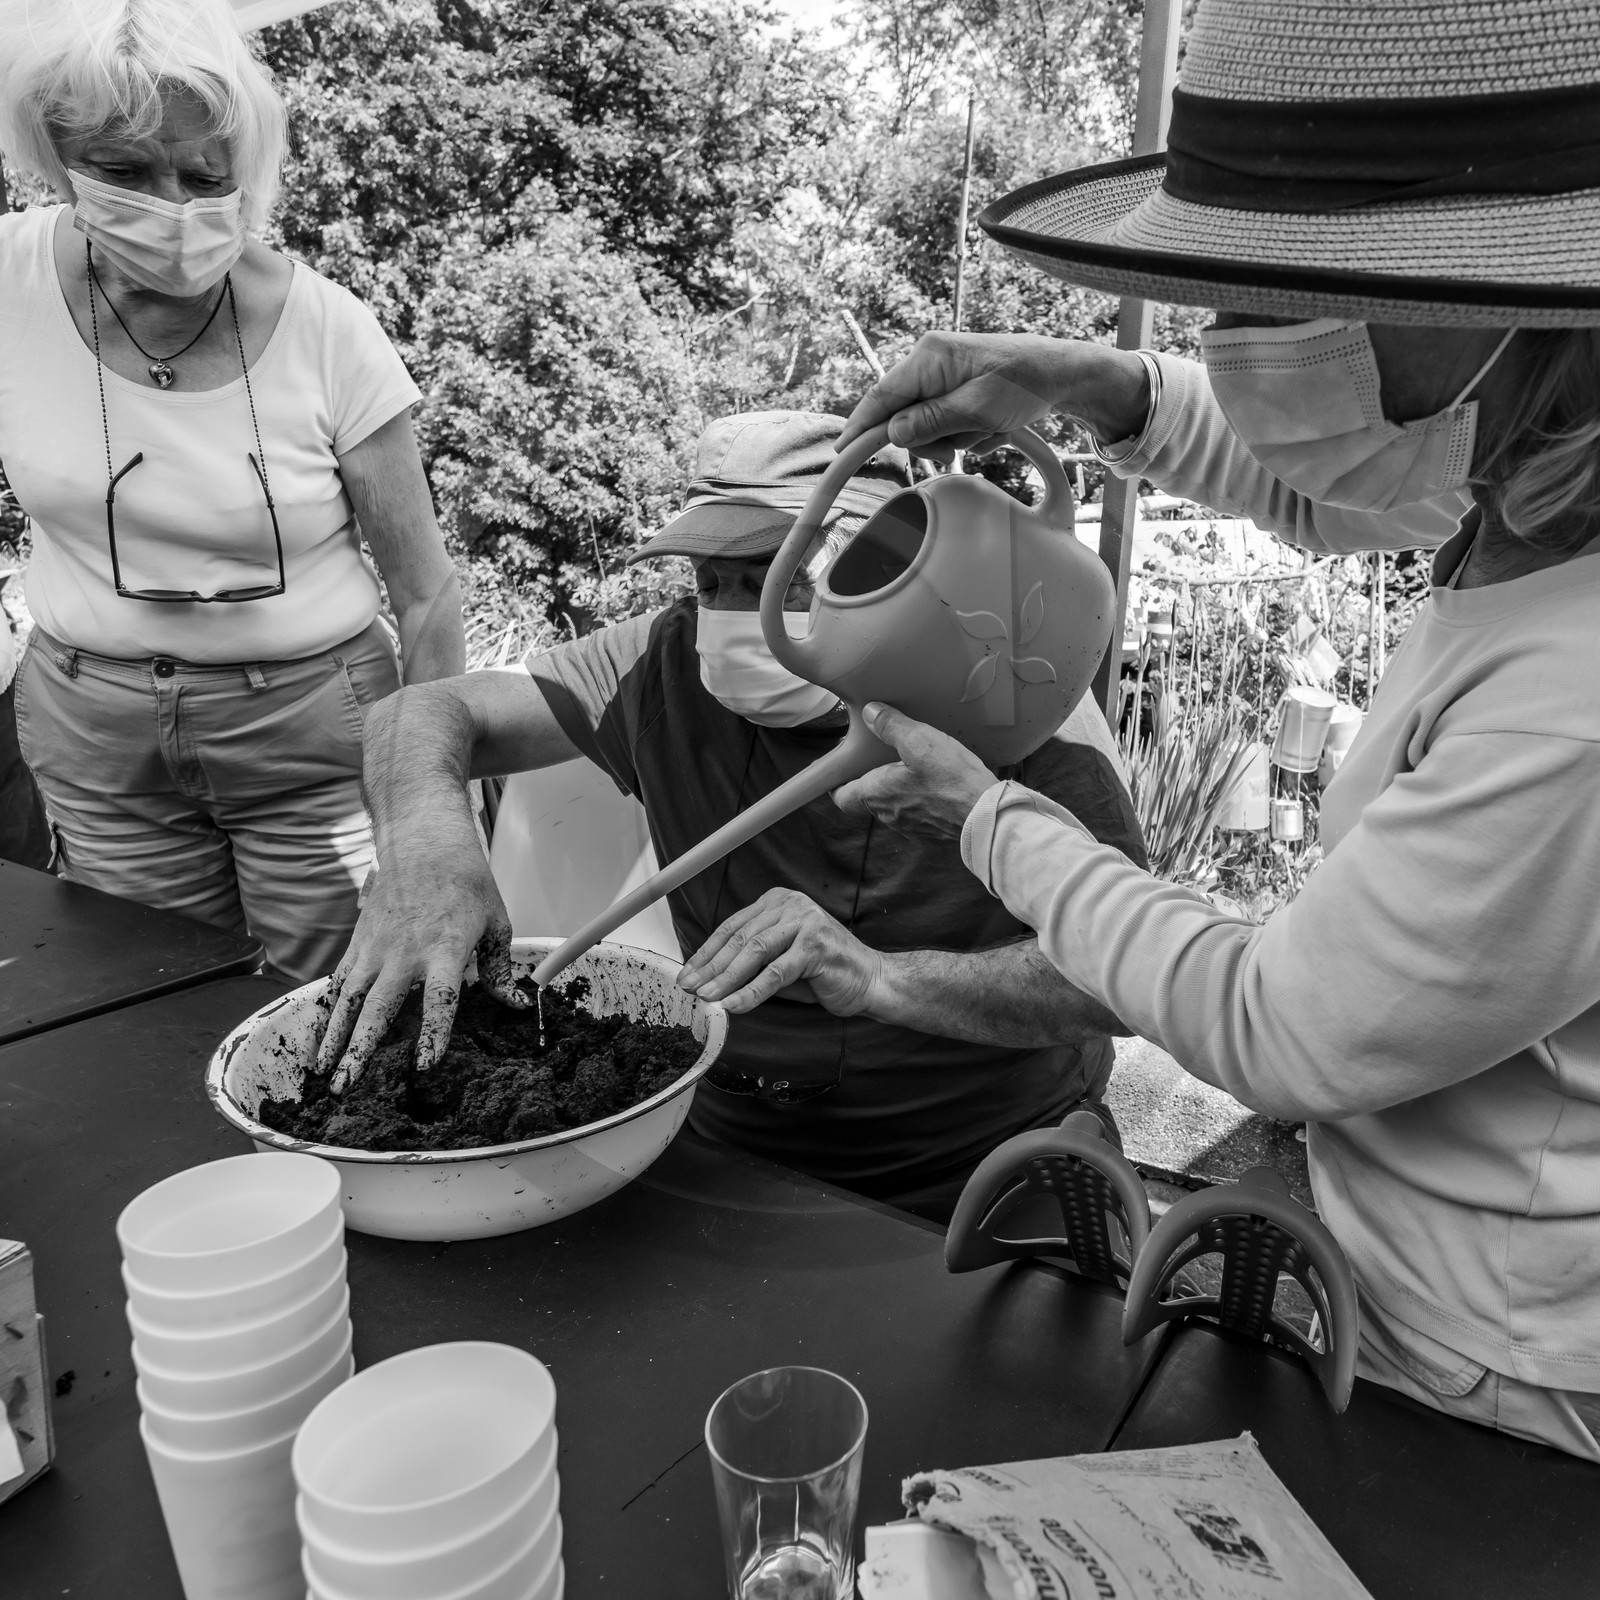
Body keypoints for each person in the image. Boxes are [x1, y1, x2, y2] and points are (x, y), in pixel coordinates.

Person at [812, 0, 1600, 1458]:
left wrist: (985, 816)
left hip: (1509, 1379)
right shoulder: (1537, 465)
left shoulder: (1579, 699)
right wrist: (1095, 384)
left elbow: (1278, 1023)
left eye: (1291, 292)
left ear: (1529, 304)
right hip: (1422, 1279)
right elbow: (1341, 487)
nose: (1242, 344)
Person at [320, 410, 1147, 1221]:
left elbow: (1123, 983)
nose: (726, 615)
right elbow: (420, 714)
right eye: (708, 580)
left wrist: (887, 982)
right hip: (719, 1155)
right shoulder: (663, 660)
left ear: (881, 562)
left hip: (984, 1170)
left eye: (768, 577)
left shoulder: (1016, 698)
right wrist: (427, 853)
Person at [0, 0, 463, 980]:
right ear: (54, 158)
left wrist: (430, 804)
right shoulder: (12, 284)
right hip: (97, 732)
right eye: (124, 172)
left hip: (311, 732)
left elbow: (426, 592)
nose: (171, 205)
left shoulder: (330, 332)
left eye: (204, 177)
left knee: (339, 1008)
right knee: (147, 1003)